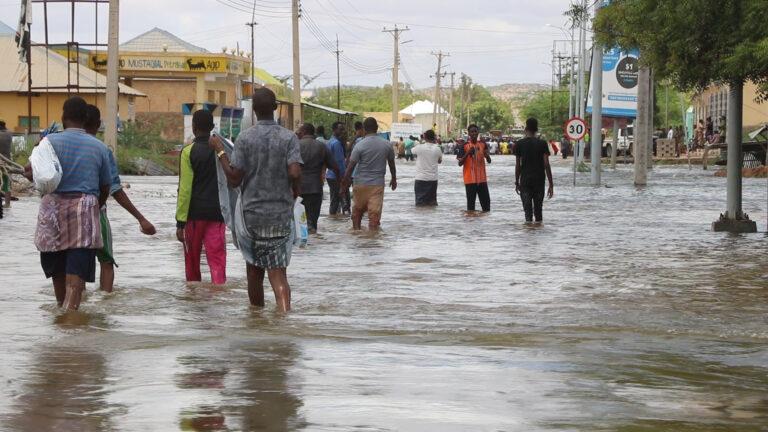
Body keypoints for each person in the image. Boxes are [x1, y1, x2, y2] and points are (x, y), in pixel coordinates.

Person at [211, 87, 302, 312]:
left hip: (251, 216)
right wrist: (293, 192)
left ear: (254, 111)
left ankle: (257, 322)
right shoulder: (289, 137)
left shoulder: (244, 138)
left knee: (253, 271)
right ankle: (284, 319)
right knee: (278, 273)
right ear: (275, 108)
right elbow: (295, 173)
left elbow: (234, 180)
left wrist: (221, 153)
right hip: (280, 215)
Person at [31, 96, 113, 310]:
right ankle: (71, 325)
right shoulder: (100, 147)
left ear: (63, 117)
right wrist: (95, 208)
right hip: (83, 213)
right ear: (85, 118)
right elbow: (106, 187)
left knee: (57, 275)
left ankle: (62, 322)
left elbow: (32, 173)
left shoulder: (48, 142)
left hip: (52, 213)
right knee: (75, 283)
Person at [85, 105, 156, 292]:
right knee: (106, 260)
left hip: (65, 214)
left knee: (74, 263)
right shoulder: (102, 150)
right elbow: (115, 190)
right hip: (95, 213)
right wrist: (141, 218)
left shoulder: (58, 144)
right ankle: (106, 301)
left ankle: (73, 307)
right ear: (98, 124)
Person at [176, 110, 227, 285]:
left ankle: (193, 301)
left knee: (192, 262)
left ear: (194, 127)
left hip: (194, 215)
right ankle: (218, 297)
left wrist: (180, 222)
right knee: (217, 261)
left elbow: (184, 189)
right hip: (218, 213)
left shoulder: (188, 152)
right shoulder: (221, 150)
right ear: (213, 127)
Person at [341, 117, 396, 230]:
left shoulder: (359, 145)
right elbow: (391, 164)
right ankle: (372, 241)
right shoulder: (387, 144)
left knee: (357, 213)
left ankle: (357, 235)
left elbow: (350, 167)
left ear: (364, 129)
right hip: (377, 185)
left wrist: (344, 184)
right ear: (376, 128)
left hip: (360, 184)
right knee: (374, 215)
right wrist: (394, 179)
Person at [296, 122, 340, 233]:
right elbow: (335, 167)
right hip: (316, 188)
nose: (299, 134)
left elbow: (288, 169)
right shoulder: (321, 146)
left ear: (304, 132)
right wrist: (340, 182)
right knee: (312, 222)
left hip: (298, 189)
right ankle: (314, 244)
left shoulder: (295, 146)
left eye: (300, 132)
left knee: (300, 223)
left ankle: (304, 246)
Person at [514, 118, 554, 224]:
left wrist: (517, 182)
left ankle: (529, 236)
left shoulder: (519, 144)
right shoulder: (542, 143)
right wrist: (551, 184)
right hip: (539, 180)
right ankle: (538, 233)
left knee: (527, 212)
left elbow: (518, 165)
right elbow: (546, 164)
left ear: (526, 128)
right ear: (536, 129)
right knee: (538, 211)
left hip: (525, 181)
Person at [457, 124, 491, 212]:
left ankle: (484, 225)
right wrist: (467, 153)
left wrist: (487, 156)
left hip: (482, 180)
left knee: (486, 207)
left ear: (478, 132)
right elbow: (460, 163)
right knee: (471, 208)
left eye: (475, 131)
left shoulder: (483, 144)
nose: (474, 133)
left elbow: (489, 160)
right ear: (468, 133)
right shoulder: (464, 146)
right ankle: (471, 224)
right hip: (470, 180)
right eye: (472, 132)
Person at [411, 129, 443, 206]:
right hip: (433, 179)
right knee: (432, 204)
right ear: (434, 138)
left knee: (420, 205)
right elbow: (439, 161)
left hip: (420, 179)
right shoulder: (437, 149)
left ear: (425, 137)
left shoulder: (419, 147)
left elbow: (412, 151)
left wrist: (420, 142)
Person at [325, 121, 349, 215]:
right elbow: (340, 163)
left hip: (330, 175)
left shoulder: (329, 141)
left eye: (343, 129)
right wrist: (343, 178)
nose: (343, 131)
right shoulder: (336, 144)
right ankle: (342, 222)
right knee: (343, 201)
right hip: (337, 176)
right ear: (334, 130)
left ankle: (333, 222)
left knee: (334, 199)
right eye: (341, 129)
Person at [0, 120, 13, 209]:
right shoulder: (9, 134)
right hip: (8, 161)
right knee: (7, 183)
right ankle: (7, 204)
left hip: (1, 160)